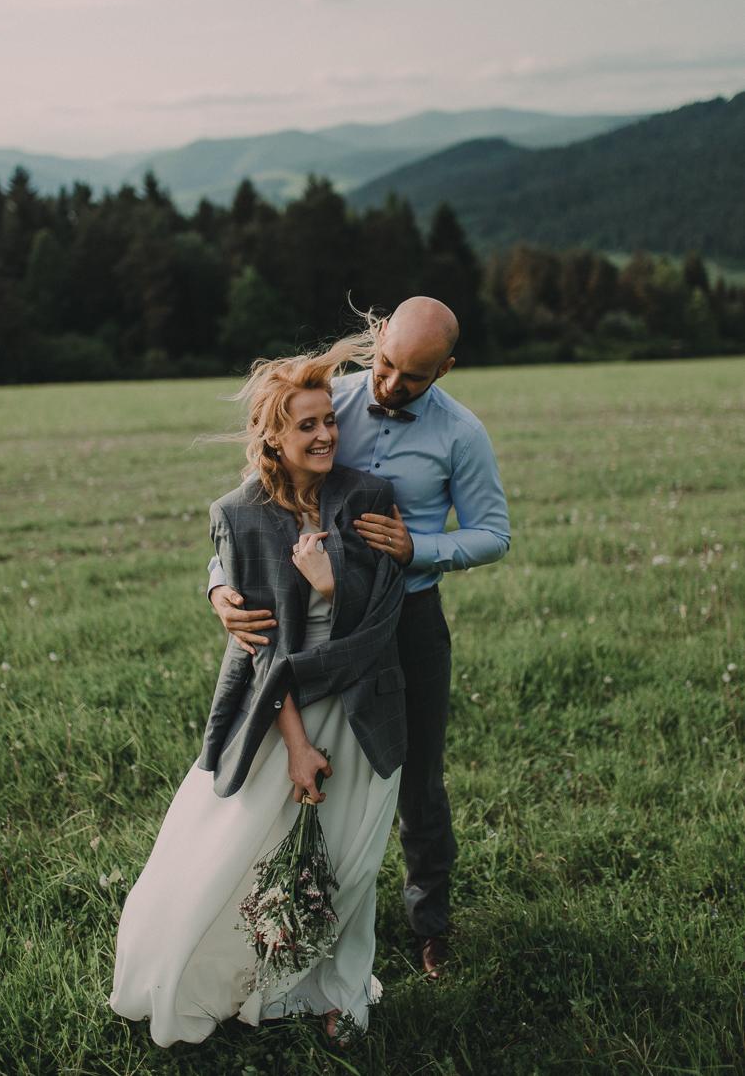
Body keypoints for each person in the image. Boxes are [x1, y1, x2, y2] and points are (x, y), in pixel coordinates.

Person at [110, 341, 407, 1047]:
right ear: (272, 435)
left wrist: (333, 582)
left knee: (353, 862)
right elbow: (262, 647)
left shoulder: (367, 496)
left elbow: (385, 612)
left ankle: (340, 994)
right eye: (306, 425)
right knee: (239, 853)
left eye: (329, 420)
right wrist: (298, 749)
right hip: (282, 713)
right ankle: (231, 982)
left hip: (364, 705)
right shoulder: (238, 515)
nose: (325, 434)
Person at [209, 297, 511, 979]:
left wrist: (418, 547)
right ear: (377, 342)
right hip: (312, 622)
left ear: (446, 369)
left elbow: (494, 533)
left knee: (418, 775)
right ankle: (304, 910)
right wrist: (217, 585)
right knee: (311, 765)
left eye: (414, 377)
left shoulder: (462, 434)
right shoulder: (325, 403)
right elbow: (255, 504)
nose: (390, 384)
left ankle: (430, 925)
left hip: (407, 616)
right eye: (386, 365)